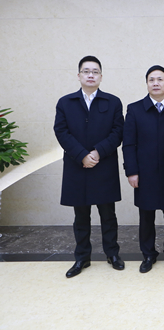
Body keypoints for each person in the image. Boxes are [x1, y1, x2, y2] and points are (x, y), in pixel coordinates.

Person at [54, 55, 125, 278]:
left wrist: (97, 152)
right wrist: (82, 155)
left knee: (108, 215)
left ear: (101, 76)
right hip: (77, 167)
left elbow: (118, 132)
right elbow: (61, 132)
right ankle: (82, 258)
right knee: (81, 217)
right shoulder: (65, 102)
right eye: (86, 71)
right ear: (79, 75)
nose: (91, 75)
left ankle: (112, 254)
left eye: (95, 72)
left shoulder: (113, 102)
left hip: (104, 166)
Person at [123, 65, 164, 273]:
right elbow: (129, 144)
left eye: (160, 79)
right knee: (146, 216)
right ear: (147, 83)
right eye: (151, 80)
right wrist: (131, 171)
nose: (156, 83)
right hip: (144, 173)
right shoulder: (134, 109)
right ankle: (148, 254)